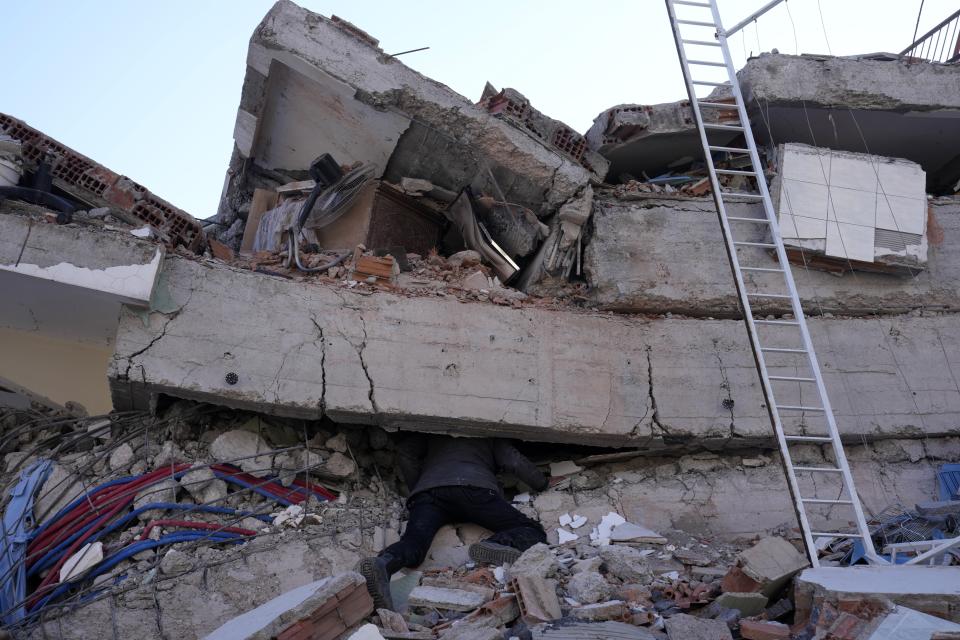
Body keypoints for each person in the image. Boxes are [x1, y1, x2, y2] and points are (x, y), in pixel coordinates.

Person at [357, 433, 550, 610]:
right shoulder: (487, 432)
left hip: (429, 495)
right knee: (531, 529)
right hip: (474, 490)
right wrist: (542, 483)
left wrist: (419, 487)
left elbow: (405, 452)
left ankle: (383, 563)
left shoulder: (433, 431)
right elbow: (513, 460)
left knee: (413, 544)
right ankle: (494, 545)